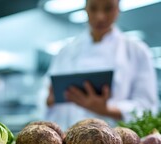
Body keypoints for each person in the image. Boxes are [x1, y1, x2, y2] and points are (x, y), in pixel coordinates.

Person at [44, 0, 159, 131]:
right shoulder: (65, 52)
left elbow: (147, 108)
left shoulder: (137, 51)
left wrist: (107, 109)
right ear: (85, 9)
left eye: (108, 8)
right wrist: (50, 99)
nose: (100, 16)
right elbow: (45, 95)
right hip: (67, 140)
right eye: (93, 8)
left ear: (118, 9)